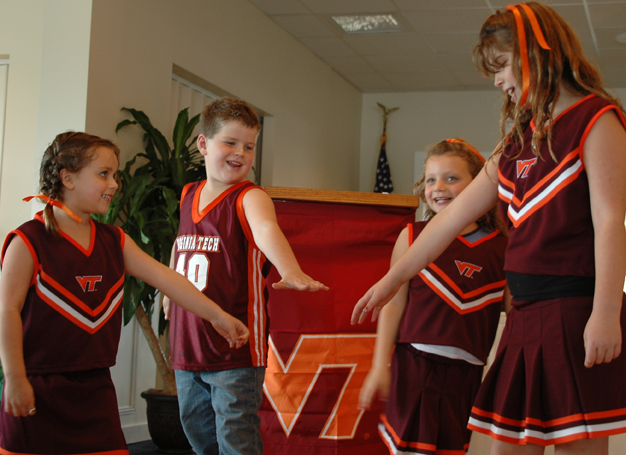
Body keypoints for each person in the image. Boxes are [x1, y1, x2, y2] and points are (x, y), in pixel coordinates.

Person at [352, 2, 626, 454]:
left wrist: (606, 312)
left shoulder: (597, 120)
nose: (499, 81)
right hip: (525, 315)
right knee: (507, 446)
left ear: (536, 53)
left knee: (579, 447)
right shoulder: (518, 140)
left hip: (575, 310)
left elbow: (610, 223)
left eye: (502, 67)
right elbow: (449, 222)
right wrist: (392, 279)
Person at [0, 131, 250, 455]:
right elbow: (6, 311)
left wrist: (217, 316)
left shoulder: (114, 240)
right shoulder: (27, 241)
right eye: (104, 174)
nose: (115, 184)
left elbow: (168, 278)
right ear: (67, 178)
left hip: (96, 394)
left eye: (115, 174)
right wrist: (15, 378)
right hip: (37, 391)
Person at [162, 97, 328, 455]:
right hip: (187, 340)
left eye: (249, 146)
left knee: (235, 436)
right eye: (231, 142)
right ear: (203, 144)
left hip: (234, 347)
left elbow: (267, 231)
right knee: (198, 434)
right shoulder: (189, 193)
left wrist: (290, 270)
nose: (240, 152)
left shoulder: (250, 196)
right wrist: (167, 291)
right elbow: (181, 243)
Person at [359, 139, 508, 454]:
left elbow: (515, 311)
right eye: (430, 179)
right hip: (415, 365)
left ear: (481, 184)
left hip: (467, 373)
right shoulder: (412, 235)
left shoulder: (504, 247)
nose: (438, 187)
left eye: (451, 178)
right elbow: (394, 304)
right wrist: (378, 365)